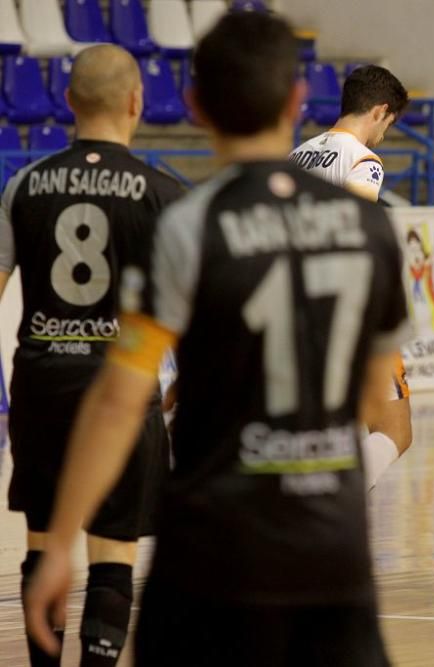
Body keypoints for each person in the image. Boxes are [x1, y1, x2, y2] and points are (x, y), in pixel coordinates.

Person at [25, 12, 405, 666]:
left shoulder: (186, 226)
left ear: (197, 107)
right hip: (329, 550)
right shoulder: (367, 226)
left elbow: (121, 398)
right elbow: (376, 397)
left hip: (213, 545)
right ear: (296, 101)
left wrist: (60, 540)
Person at [0, 44, 181, 666]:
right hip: (123, 386)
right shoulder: (165, 194)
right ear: (137, 102)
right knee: (113, 549)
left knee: (45, 544)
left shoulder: (22, 185)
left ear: (69, 102)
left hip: (42, 381)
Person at [290, 64, 413, 492]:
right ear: (380, 111)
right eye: (390, 124)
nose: (385, 135)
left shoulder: (298, 154)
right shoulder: (364, 160)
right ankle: (323, 513)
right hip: (344, 312)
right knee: (396, 431)